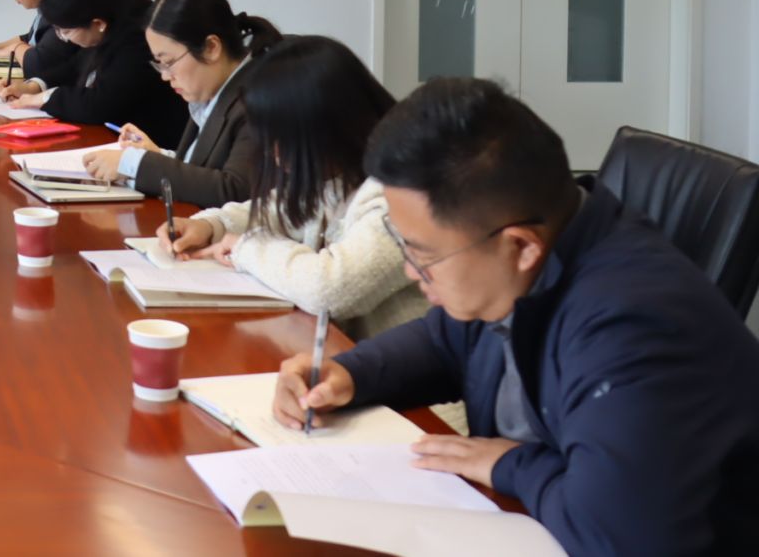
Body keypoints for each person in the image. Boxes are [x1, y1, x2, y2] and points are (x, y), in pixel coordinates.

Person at [274, 79, 759, 555]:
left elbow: (617, 538)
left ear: (521, 247)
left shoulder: (634, 328)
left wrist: (513, 465)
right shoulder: (532, 259)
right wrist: (349, 374)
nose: (410, 270)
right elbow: (444, 340)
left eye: (424, 255)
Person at [160, 35, 425, 341]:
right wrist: (211, 226)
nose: (273, 153)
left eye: (281, 139)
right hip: (337, 353)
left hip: (394, 367)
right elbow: (280, 210)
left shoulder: (399, 192)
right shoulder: (338, 173)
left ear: (325, 126)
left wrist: (245, 248)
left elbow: (330, 289)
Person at [80, 0, 275, 205]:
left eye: (169, 62)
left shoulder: (259, 98)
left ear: (211, 48)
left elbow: (235, 190)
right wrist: (157, 156)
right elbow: (203, 168)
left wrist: (135, 164)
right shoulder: (211, 90)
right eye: (159, 64)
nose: (165, 76)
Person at [0, 0, 186, 140]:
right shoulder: (107, 12)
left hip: (153, 143)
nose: (64, 38)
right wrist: (33, 87)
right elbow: (77, 64)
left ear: (98, 24)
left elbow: (100, 105)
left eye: (66, 31)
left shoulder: (137, 35)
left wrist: (43, 98)